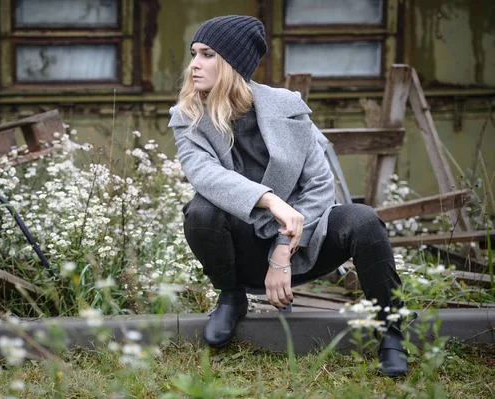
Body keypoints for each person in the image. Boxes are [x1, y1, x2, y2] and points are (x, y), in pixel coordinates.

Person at [168, 15, 407, 378]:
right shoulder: (188, 117)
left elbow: (319, 186)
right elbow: (206, 176)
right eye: (193, 54)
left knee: (364, 219)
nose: (194, 64)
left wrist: (284, 248)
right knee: (201, 211)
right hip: (242, 246)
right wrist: (270, 200)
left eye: (207, 54)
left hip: (304, 243)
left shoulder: (287, 106)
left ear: (233, 63)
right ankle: (231, 298)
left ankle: (390, 330)